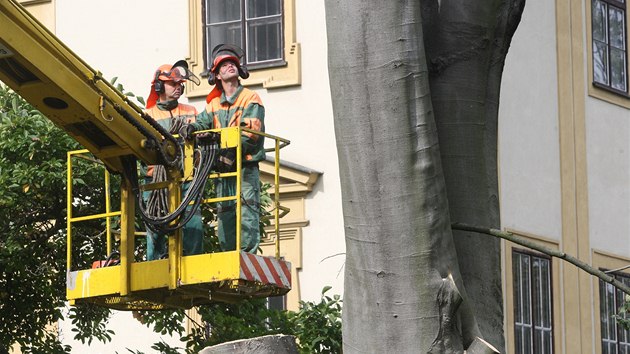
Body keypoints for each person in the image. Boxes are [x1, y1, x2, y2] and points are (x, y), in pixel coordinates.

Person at [180, 44, 265, 254]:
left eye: (232, 64)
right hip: (224, 169)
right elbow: (203, 121)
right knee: (225, 211)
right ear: (217, 75)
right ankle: (228, 253)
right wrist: (192, 128)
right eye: (224, 65)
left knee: (246, 209)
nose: (230, 67)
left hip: (244, 166)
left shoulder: (250, 98)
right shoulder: (214, 103)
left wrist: (229, 152)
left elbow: (251, 133)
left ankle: (246, 254)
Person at [143, 60, 203, 260]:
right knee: (155, 227)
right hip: (156, 182)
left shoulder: (190, 112)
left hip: (187, 179)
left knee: (193, 226)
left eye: (180, 85)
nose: (178, 88)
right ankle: (154, 267)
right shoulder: (147, 116)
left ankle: (193, 266)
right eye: (173, 84)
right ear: (159, 86)